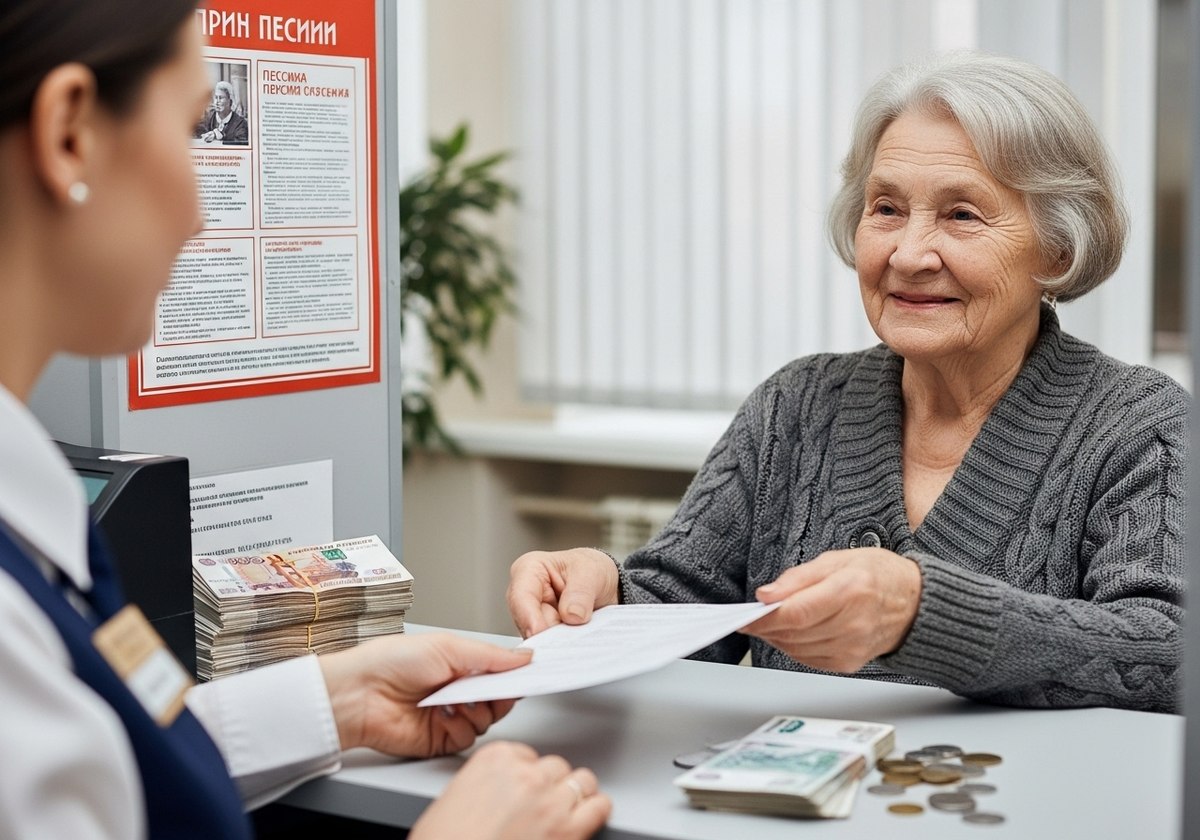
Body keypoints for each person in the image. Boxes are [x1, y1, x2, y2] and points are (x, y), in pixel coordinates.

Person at [0, 2, 610, 839]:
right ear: (70, 131)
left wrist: (338, 699)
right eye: (188, 132)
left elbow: (104, 758)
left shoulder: (34, 507)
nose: (200, 214)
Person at [509, 52, 1186, 715]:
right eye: (887, 208)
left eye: (961, 216)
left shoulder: (1141, 427)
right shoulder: (797, 406)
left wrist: (926, 613)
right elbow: (684, 612)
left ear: (1058, 248)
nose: (908, 254)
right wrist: (606, 597)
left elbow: (1168, 657)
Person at [196, 79, 248, 145]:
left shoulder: (240, 124)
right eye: (215, 98)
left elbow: (240, 145)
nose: (217, 102)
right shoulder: (207, 118)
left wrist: (220, 136)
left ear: (230, 101)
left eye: (221, 98)